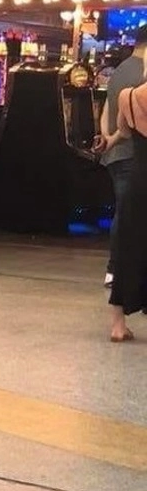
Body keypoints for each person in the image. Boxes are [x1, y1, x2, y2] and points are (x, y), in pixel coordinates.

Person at [98, 56, 147, 341]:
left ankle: (118, 325)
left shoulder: (128, 97)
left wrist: (108, 141)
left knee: (127, 247)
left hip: (138, 182)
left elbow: (124, 132)